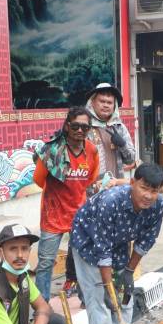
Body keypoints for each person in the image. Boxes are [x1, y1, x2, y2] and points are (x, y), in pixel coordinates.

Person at [70, 163, 163, 324]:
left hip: (119, 241)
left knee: (124, 295)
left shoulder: (159, 205)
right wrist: (107, 286)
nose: (148, 196)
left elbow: (146, 241)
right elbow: (102, 250)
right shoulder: (110, 202)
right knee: (99, 297)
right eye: (144, 188)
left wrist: (128, 273)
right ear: (132, 183)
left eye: (154, 191)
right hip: (88, 241)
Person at [33, 107, 100, 300]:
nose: (80, 130)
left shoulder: (92, 151)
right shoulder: (51, 151)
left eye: (85, 127)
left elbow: (90, 179)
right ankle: (42, 305)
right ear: (67, 126)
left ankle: (86, 300)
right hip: (52, 215)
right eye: (76, 126)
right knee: (46, 263)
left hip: (79, 214)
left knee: (83, 259)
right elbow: (38, 179)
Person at [85, 82, 138, 188]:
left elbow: (130, 160)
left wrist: (123, 145)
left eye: (109, 102)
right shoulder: (84, 126)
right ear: (92, 102)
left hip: (116, 186)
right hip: (91, 187)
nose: (106, 105)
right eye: (102, 101)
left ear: (114, 106)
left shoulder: (119, 127)